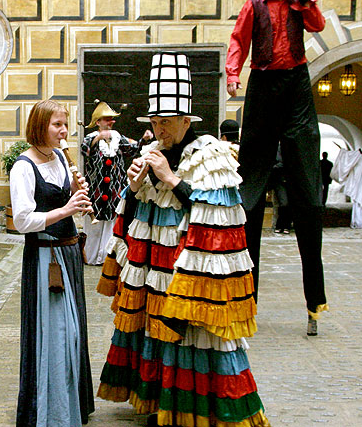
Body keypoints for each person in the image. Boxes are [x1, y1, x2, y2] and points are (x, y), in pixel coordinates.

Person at [96, 52, 269, 427]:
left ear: (186, 120)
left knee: (194, 338)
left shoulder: (210, 154)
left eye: (167, 122)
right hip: (154, 265)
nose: (160, 130)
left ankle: (203, 407)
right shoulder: (153, 151)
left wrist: (172, 178)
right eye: (155, 122)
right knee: (153, 329)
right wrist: (136, 184)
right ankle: (160, 399)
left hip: (191, 269)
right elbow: (135, 211)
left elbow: (219, 213)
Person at [226, 0, 328, 334]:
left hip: (297, 88)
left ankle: (314, 300)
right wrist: (234, 74)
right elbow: (239, 41)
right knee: (250, 192)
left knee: (306, 190)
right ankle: (244, 297)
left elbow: (318, 26)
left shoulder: (301, 3)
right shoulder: (254, 5)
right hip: (265, 87)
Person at [10, 99, 95, 427]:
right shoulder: (23, 166)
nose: (63, 131)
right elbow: (21, 220)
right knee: (55, 333)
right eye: (56, 125)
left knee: (74, 332)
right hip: (46, 258)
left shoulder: (60, 156)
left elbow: (65, 196)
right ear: (39, 126)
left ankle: (73, 402)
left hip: (69, 253)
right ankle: (49, 411)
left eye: (65, 124)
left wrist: (75, 190)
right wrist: (67, 209)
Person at [80, 101, 149, 266]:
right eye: (107, 119)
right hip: (95, 192)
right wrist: (98, 137)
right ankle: (90, 257)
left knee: (111, 225)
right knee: (93, 225)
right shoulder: (90, 138)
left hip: (114, 192)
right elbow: (85, 150)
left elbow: (132, 149)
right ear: (98, 122)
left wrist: (144, 140)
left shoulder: (118, 137)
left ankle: (107, 258)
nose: (111, 122)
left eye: (112, 119)